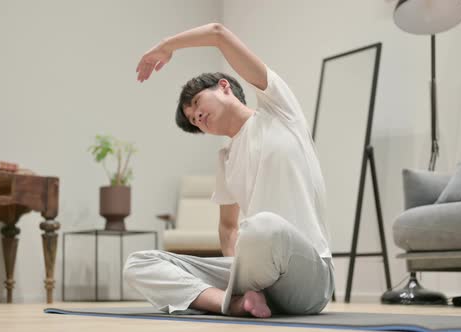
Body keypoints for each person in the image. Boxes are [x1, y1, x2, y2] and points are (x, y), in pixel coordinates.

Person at [124, 23, 334, 318]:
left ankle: (238, 296)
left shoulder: (280, 113)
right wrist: (237, 269)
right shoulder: (225, 158)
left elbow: (218, 34)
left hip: (307, 278)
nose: (197, 116)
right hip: (256, 273)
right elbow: (227, 227)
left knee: (262, 227)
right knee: (139, 263)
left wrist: (168, 45)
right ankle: (234, 304)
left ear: (224, 87)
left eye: (196, 103)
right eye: (193, 120)